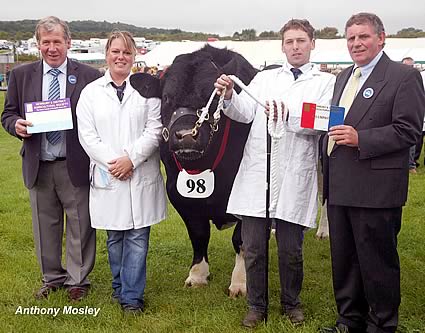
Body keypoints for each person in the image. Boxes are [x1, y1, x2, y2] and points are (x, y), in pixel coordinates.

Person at [215, 19, 335, 328]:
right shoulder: (265, 78)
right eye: (290, 42)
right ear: (282, 46)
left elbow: (327, 119)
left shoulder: (325, 82)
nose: (295, 46)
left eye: (301, 41)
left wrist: (289, 114)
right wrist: (228, 95)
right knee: (254, 248)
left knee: (290, 250)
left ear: (311, 43)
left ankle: (291, 303)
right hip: (258, 173)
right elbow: (244, 111)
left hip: (294, 173)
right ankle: (257, 306)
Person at [322, 13, 425, 333]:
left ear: (382, 38)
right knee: (345, 260)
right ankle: (349, 320)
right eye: (351, 38)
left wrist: (361, 138)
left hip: (376, 188)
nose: (356, 43)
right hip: (340, 184)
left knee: (376, 263)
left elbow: (409, 131)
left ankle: (381, 325)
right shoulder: (342, 77)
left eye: (363, 36)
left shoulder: (403, 76)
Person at [1, 16, 100, 301]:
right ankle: (52, 278)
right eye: (46, 42)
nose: (52, 48)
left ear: (68, 43)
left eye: (57, 42)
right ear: (38, 44)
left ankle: (78, 279)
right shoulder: (21, 75)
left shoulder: (89, 76)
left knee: (81, 223)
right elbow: (7, 114)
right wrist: (15, 125)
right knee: (45, 225)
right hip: (39, 163)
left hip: (75, 162)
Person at [76, 31, 167, 313]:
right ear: (106, 55)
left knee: (138, 237)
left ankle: (131, 298)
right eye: (116, 52)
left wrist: (132, 159)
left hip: (139, 172)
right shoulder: (90, 93)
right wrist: (114, 162)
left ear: (134, 56)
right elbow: (87, 136)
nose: (120, 57)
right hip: (109, 175)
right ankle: (119, 287)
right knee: (114, 238)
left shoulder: (147, 89)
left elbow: (154, 129)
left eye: (126, 53)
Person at [401, 57, 419, 174]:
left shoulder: (416, 78)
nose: (409, 68)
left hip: (412, 115)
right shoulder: (396, 78)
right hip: (398, 115)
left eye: (410, 65)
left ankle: (411, 165)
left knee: (411, 141)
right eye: (406, 65)